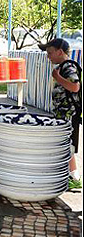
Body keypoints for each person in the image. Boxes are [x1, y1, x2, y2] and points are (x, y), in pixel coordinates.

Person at [39, 38, 82, 186]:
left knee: (66, 144)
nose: (48, 56)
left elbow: (75, 87)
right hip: (63, 112)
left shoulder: (67, 66)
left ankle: (74, 176)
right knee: (65, 143)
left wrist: (58, 78)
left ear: (60, 52)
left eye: (50, 53)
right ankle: (70, 174)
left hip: (67, 112)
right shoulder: (64, 66)